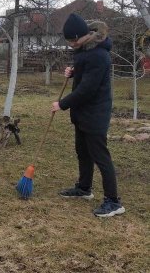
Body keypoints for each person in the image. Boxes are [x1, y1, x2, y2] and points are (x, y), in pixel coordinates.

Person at [52, 13, 125, 218]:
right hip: (82, 114)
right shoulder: (85, 50)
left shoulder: (99, 55)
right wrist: (73, 72)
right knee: (82, 152)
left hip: (95, 113)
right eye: (69, 42)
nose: (72, 44)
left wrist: (62, 104)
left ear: (83, 36)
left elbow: (88, 90)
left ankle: (113, 201)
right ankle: (84, 189)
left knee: (101, 157)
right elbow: (85, 71)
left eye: (73, 40)